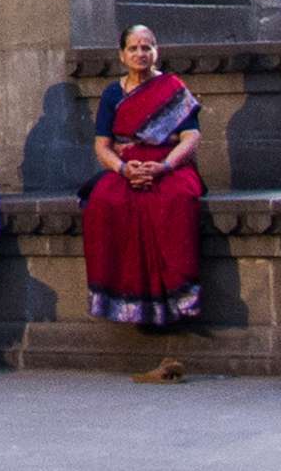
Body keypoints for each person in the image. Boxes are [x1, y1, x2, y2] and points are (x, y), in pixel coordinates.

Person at [82, 23, 208, 373]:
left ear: (157, 51)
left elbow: (191, 137)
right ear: (122, 55)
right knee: (106, 202)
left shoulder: (173, 88)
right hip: (128, 166)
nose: (141, 54)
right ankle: (127, 302)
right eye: (134, 48)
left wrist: (164, 166)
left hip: (170, 166)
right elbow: (101, 145)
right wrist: (124, 170)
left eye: (147, 47)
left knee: (173, 202)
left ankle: (177, 299)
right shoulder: (112, 94)